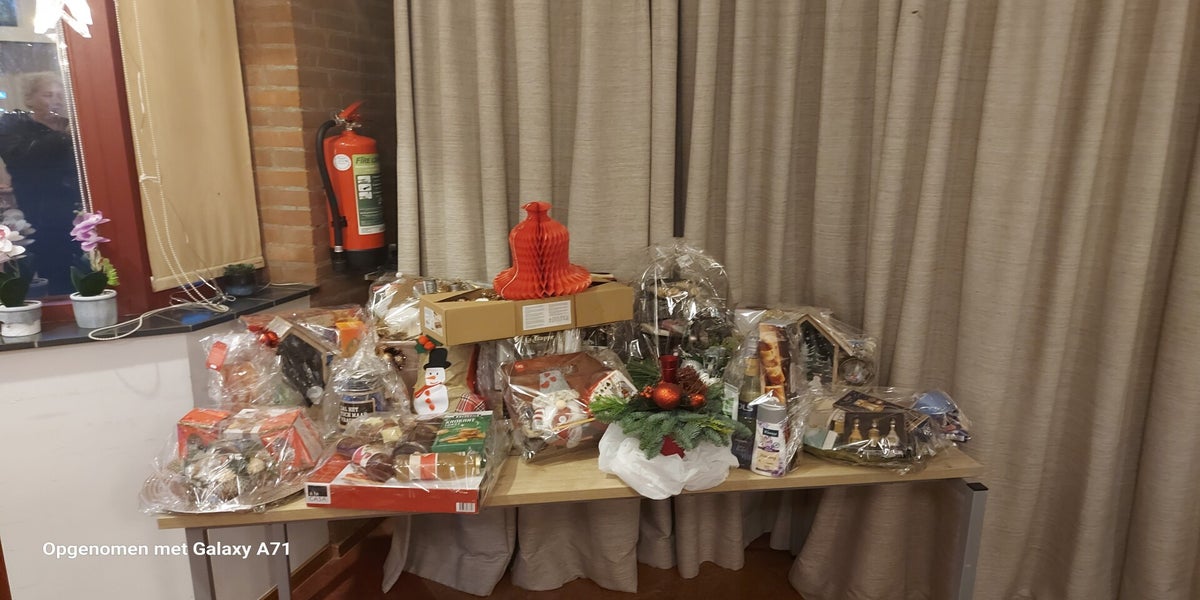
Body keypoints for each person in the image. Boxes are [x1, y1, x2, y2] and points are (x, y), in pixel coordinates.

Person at [0, 72, 81, 295]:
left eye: (59, 95)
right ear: (30, 99)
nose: (56, 100)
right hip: (40, 212)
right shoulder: (14, 126)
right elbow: (22, 156)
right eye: (48, 95)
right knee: (53, 266)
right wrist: (64, 136)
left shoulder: (70, 126)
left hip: (76, 209)